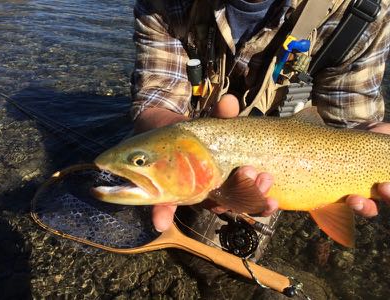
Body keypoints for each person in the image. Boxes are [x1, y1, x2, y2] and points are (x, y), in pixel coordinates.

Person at [130, 0, 390, 233]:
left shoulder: (363, 10)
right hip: (196, 133)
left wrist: (366, 133)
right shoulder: (161, 5)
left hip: (298, 140)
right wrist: (173, 140)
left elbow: (349, 114)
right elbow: (159, 97)